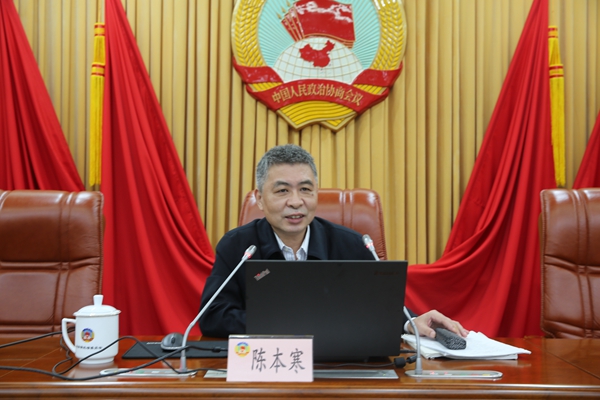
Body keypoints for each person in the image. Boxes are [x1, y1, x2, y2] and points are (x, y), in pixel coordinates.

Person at [199, 144, 468, 341]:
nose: (296, 201)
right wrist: (293, 324)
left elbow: (378, 308)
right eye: (282, 191)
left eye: (306, 189)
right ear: (259, 199)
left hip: (339, 365)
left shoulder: (352, 246)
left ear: (316, 193)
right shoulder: (239, 247)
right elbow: (212, 316)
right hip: (265, 366)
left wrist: (411, 322)